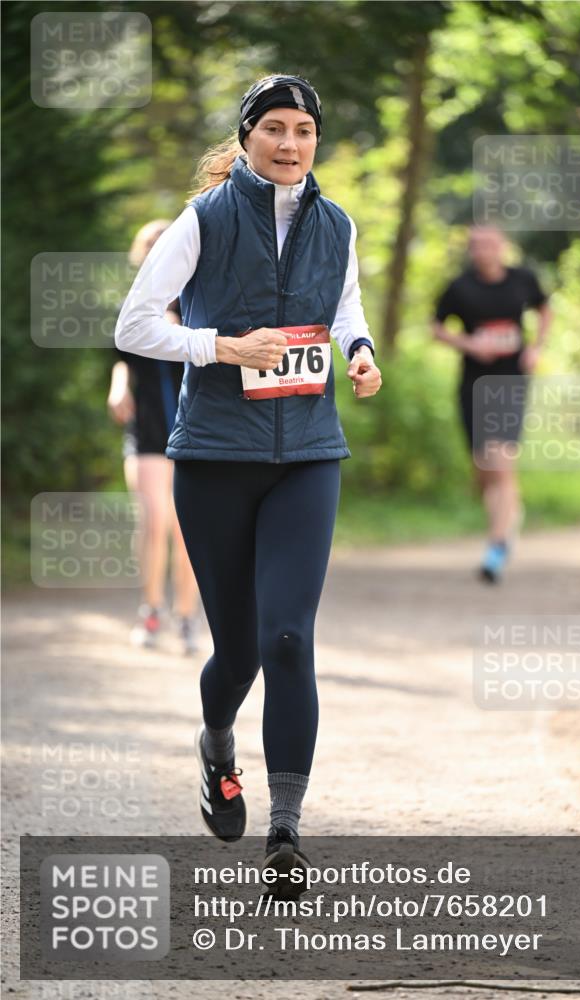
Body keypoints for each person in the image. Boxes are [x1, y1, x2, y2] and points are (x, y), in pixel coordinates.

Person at [114, 74, 382, 880]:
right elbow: (136, 324)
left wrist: (360, 353)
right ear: (246, 137)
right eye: (274, 128)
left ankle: (286, 831)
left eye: (304, 129)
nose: (290, 143)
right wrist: (220, 348)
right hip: (214, 459)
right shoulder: (203, 220)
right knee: (238, 656)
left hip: (307, 454)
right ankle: (216, 743)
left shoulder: (337, 222)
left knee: (290, 637)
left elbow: (344, 310)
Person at [432, 226, 552, 582]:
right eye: (477, 246)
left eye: (491, 244)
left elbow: (546, 311)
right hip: (473, 384)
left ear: (503, 247)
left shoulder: (523, 280)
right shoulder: (460, 287)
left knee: (501, 462)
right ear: (471, 251)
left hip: (511, 381)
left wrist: (536, 347)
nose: (484, 251)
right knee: (484, 471)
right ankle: (509, 516)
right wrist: (470, 345)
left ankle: (497, 547)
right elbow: (436, 327)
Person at [107, 220, 200, 654]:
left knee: (187, 529)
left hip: (194, 434)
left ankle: (186, 618)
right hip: (145, 433)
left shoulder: (199, 299)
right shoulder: (130, 305)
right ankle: (150, 610)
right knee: (154, 521)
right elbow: (122, 358)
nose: (155, 250)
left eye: (163, 243)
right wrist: (118, 384)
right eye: (148, 244)